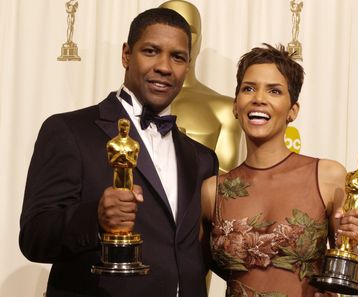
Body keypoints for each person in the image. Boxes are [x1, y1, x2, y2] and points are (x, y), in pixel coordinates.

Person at [19, 7, 217, 297]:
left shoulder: (201, 158)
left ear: (187, 66)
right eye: (151, 51)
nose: (164, 66)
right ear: (126, 55)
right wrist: (95, 218)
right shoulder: (69, 131)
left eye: (177, 57)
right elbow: (35, 238)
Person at [200, 44, 358, 297]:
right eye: (249, 88)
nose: (259, 98)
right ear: (236, 106)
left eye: (274, 91)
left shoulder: (327, 177)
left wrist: (353, 235)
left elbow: (348, 272)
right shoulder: (213, 191)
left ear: (293, 111)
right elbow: (195, 270)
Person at [159, 0, 242, 174]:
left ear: (200, 40)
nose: (177, 38)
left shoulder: (225, 110)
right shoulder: (130, 103)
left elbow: (225, 183)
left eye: (189, 31)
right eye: (169, 27)